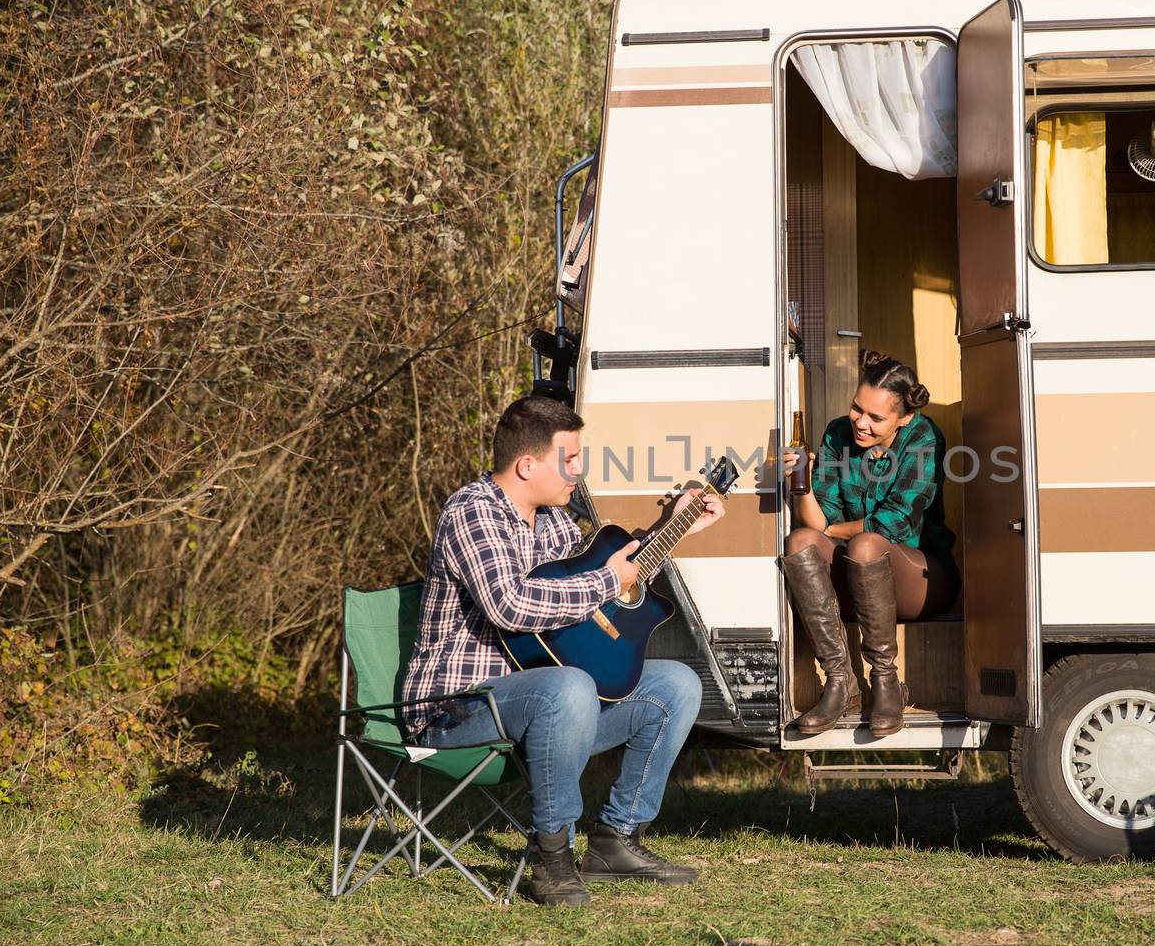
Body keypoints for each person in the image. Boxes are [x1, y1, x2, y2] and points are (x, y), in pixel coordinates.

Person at [401, 395, 725, 907]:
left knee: (676, 685)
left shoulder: (554, 520)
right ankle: (551, 855)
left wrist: (676, 530)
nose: (580, 470)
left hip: (545, 705)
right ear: (528, 465)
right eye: (569, 458)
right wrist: (604, 580)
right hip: (457, 709)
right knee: (571, 685)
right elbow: (510, 606)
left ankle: (615, 840)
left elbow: (595, 603)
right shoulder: (472, 512)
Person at [782, 351, 960, 738]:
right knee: (798, 542)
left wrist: (834, 531)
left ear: (904, 417)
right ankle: (839, 681)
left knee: (867, 544)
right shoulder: (836, 434)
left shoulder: (923, 436)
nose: (861, 422)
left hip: (924, 579)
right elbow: (817, 523)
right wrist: (803, 484)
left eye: (876, 418)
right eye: (857, 409)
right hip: (857, 576)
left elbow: (893, 521)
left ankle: (886, 683)